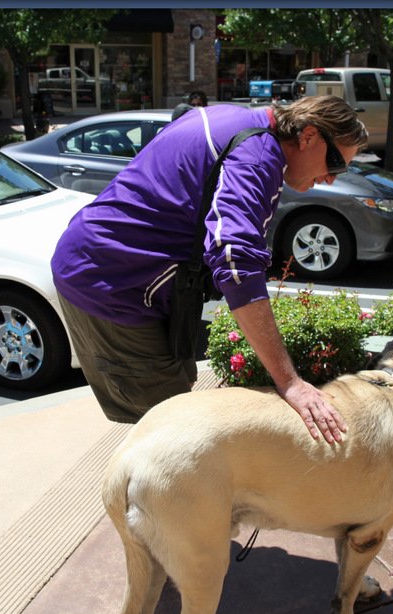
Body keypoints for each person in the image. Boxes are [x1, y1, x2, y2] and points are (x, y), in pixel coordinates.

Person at [51, 95, 368, 443]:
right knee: (177, 434)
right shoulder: (257, 154)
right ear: (308, 136)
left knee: (178, 393)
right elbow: (236, 262)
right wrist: (290, 383)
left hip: (113, 268)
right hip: (112, 282)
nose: (332, 179)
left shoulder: (237, 119)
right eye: (335, 162)